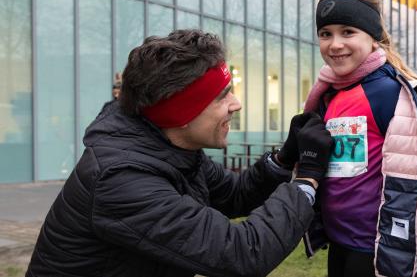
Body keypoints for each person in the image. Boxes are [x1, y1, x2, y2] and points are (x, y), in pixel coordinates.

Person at [26, 30, 334, 277]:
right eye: (222, 97)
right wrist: (306, 179)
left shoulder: (170, 147)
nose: (236, 104)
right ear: (181, 114)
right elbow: (242, 252)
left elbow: (233, 194)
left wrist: (283, 159)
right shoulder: (121, 179)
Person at [302, 0, 417, 277]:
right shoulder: (329, 95)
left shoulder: (389, 93)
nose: (335, 44)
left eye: (348, 32)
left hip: (377, 252)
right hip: (339, 245)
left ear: (373, 37)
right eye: (325, 33)